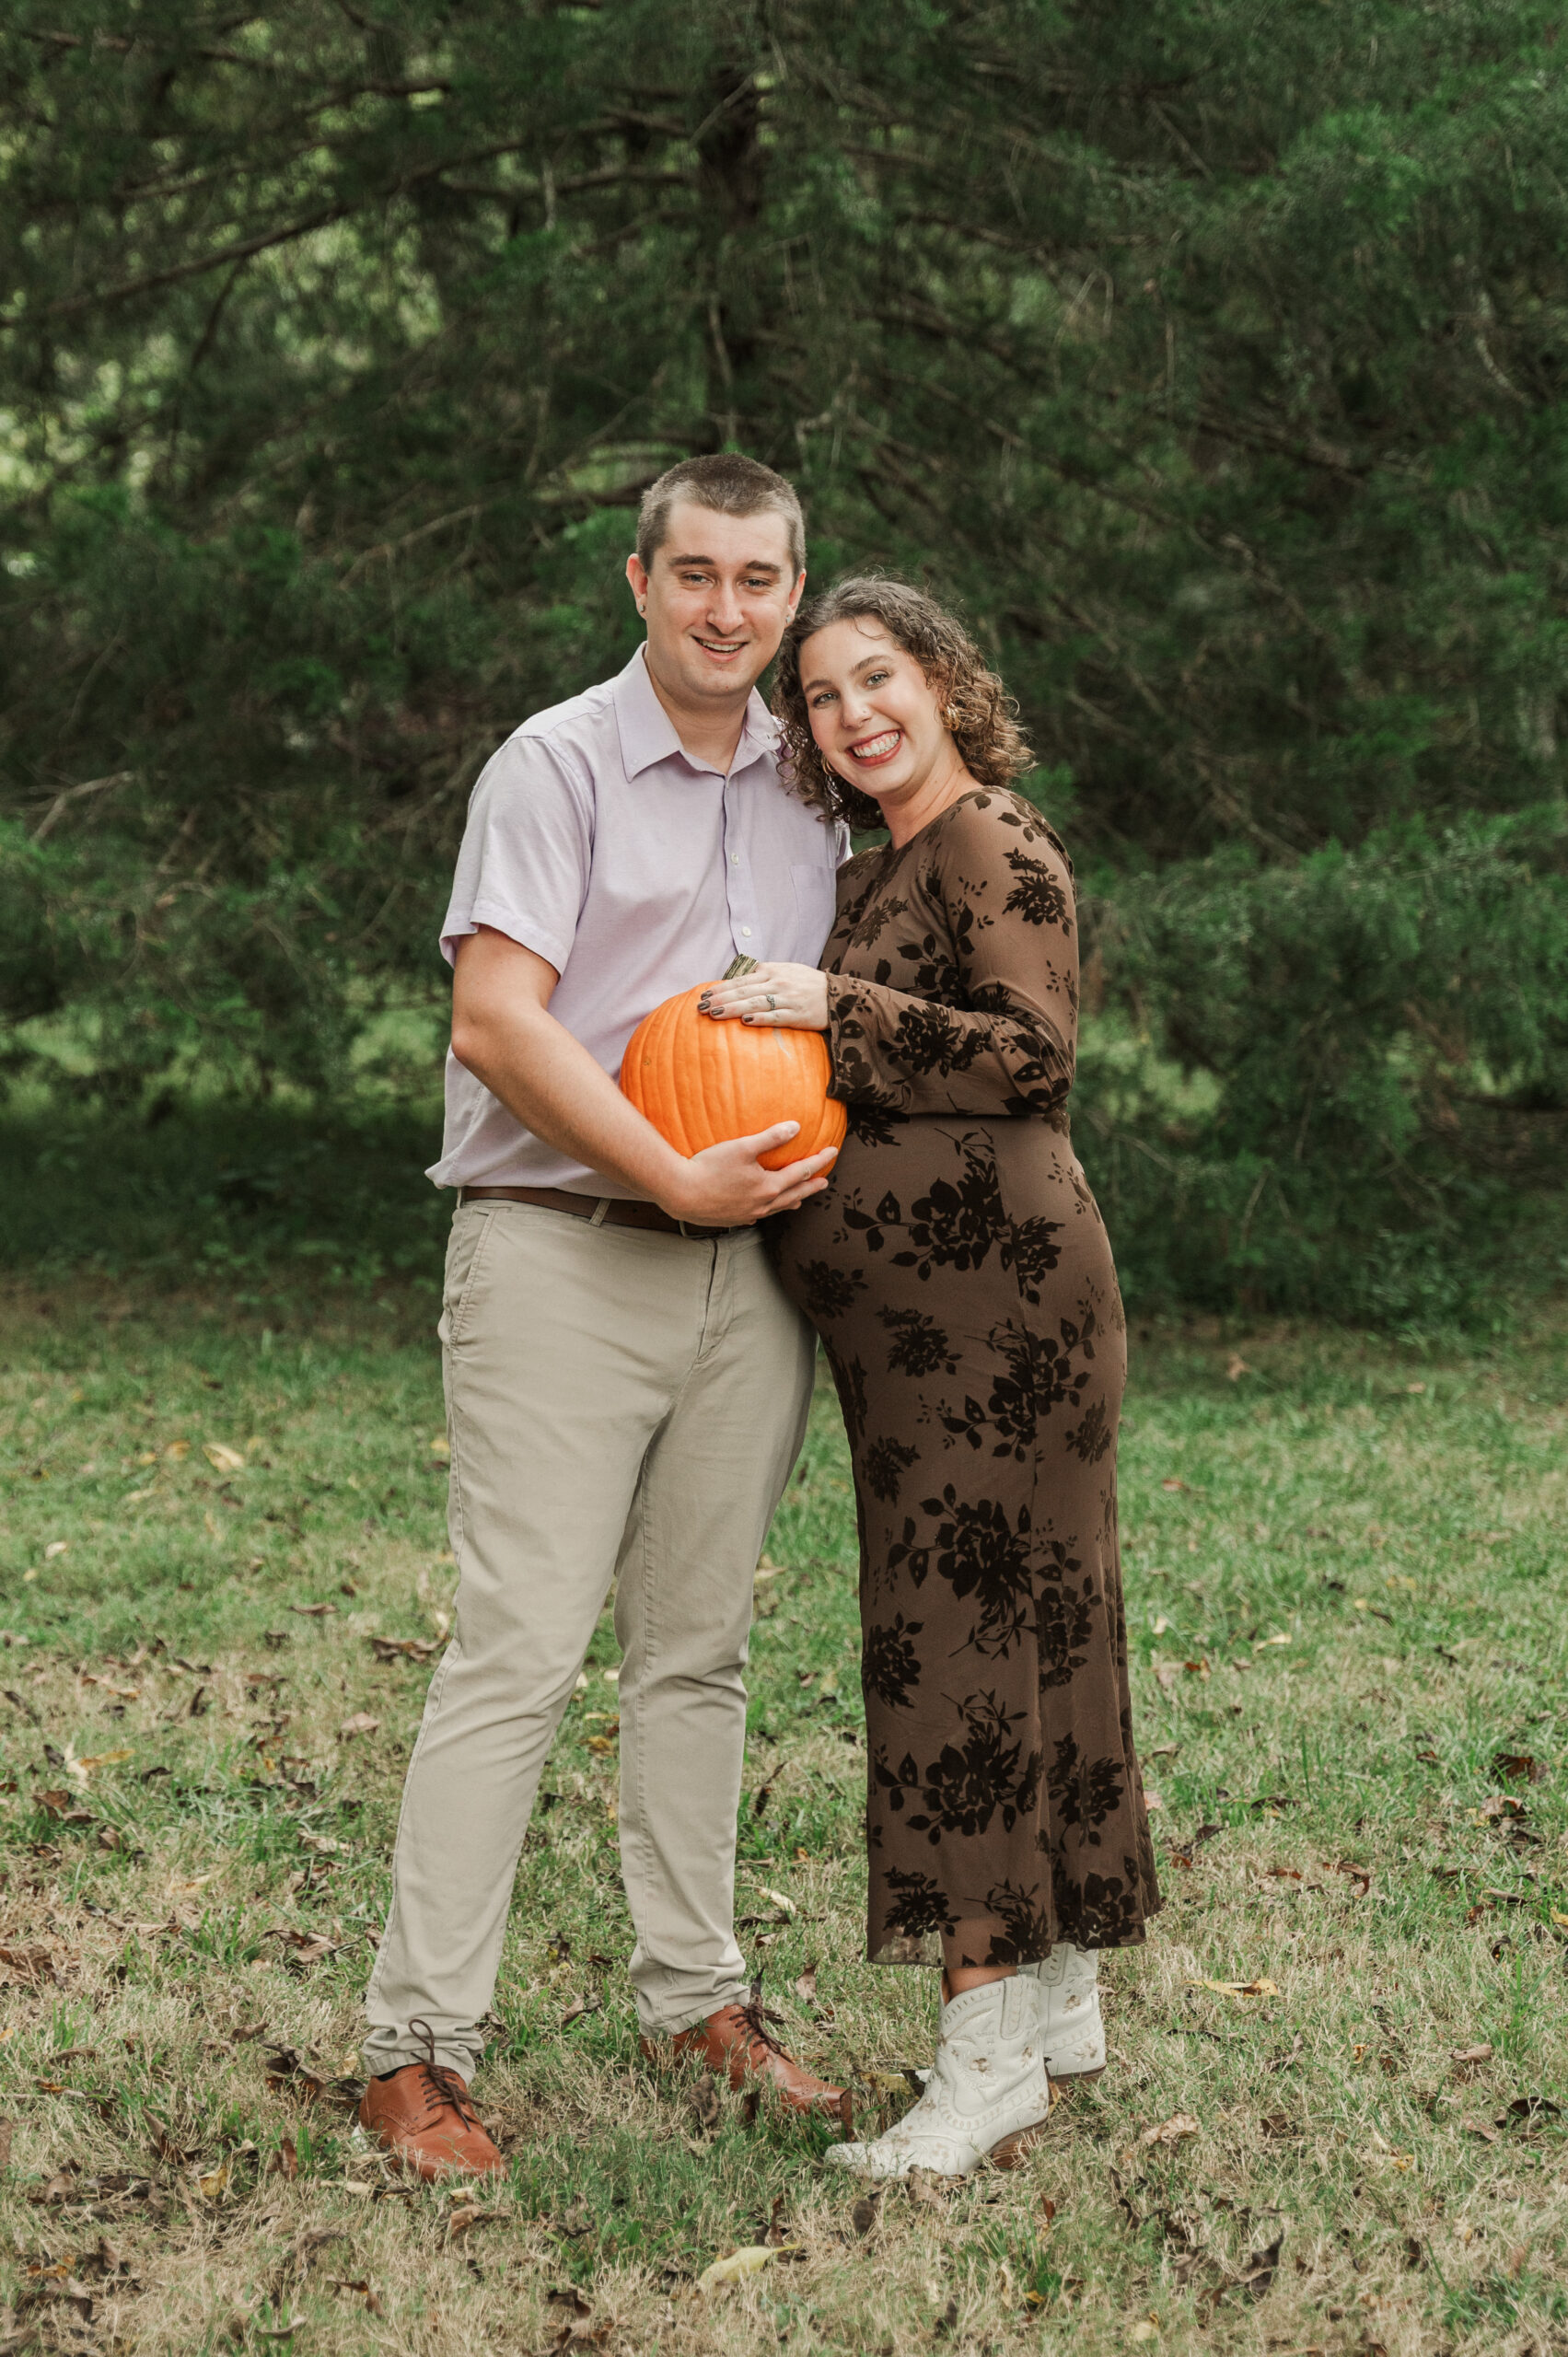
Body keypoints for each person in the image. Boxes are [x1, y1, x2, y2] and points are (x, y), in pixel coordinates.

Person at [359, 455, 852, 2179]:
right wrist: (666, 1171)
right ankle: (415, 2050)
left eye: (762, 581)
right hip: (563, 1248)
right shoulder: (554, 764)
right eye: (697, 574)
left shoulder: (816, 789)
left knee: (699, 1649)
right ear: (640, 583)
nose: (730, 609)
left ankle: (695, 1998)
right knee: (520, 1646)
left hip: (754, 1273)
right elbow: (498, 1021)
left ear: (796, 594)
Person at [699, 577, 1161, 2178]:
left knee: (960, 1650)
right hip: (928, 1333)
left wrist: (834, 1004)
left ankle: (984, 2057)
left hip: (999, 1317)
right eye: (821, 697)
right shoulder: (873, 861)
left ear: (947, 680)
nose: (851, 714)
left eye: (875, 677)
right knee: (1030, 1631)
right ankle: (1057, 1999)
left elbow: (1032, 1055)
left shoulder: (989, 841)